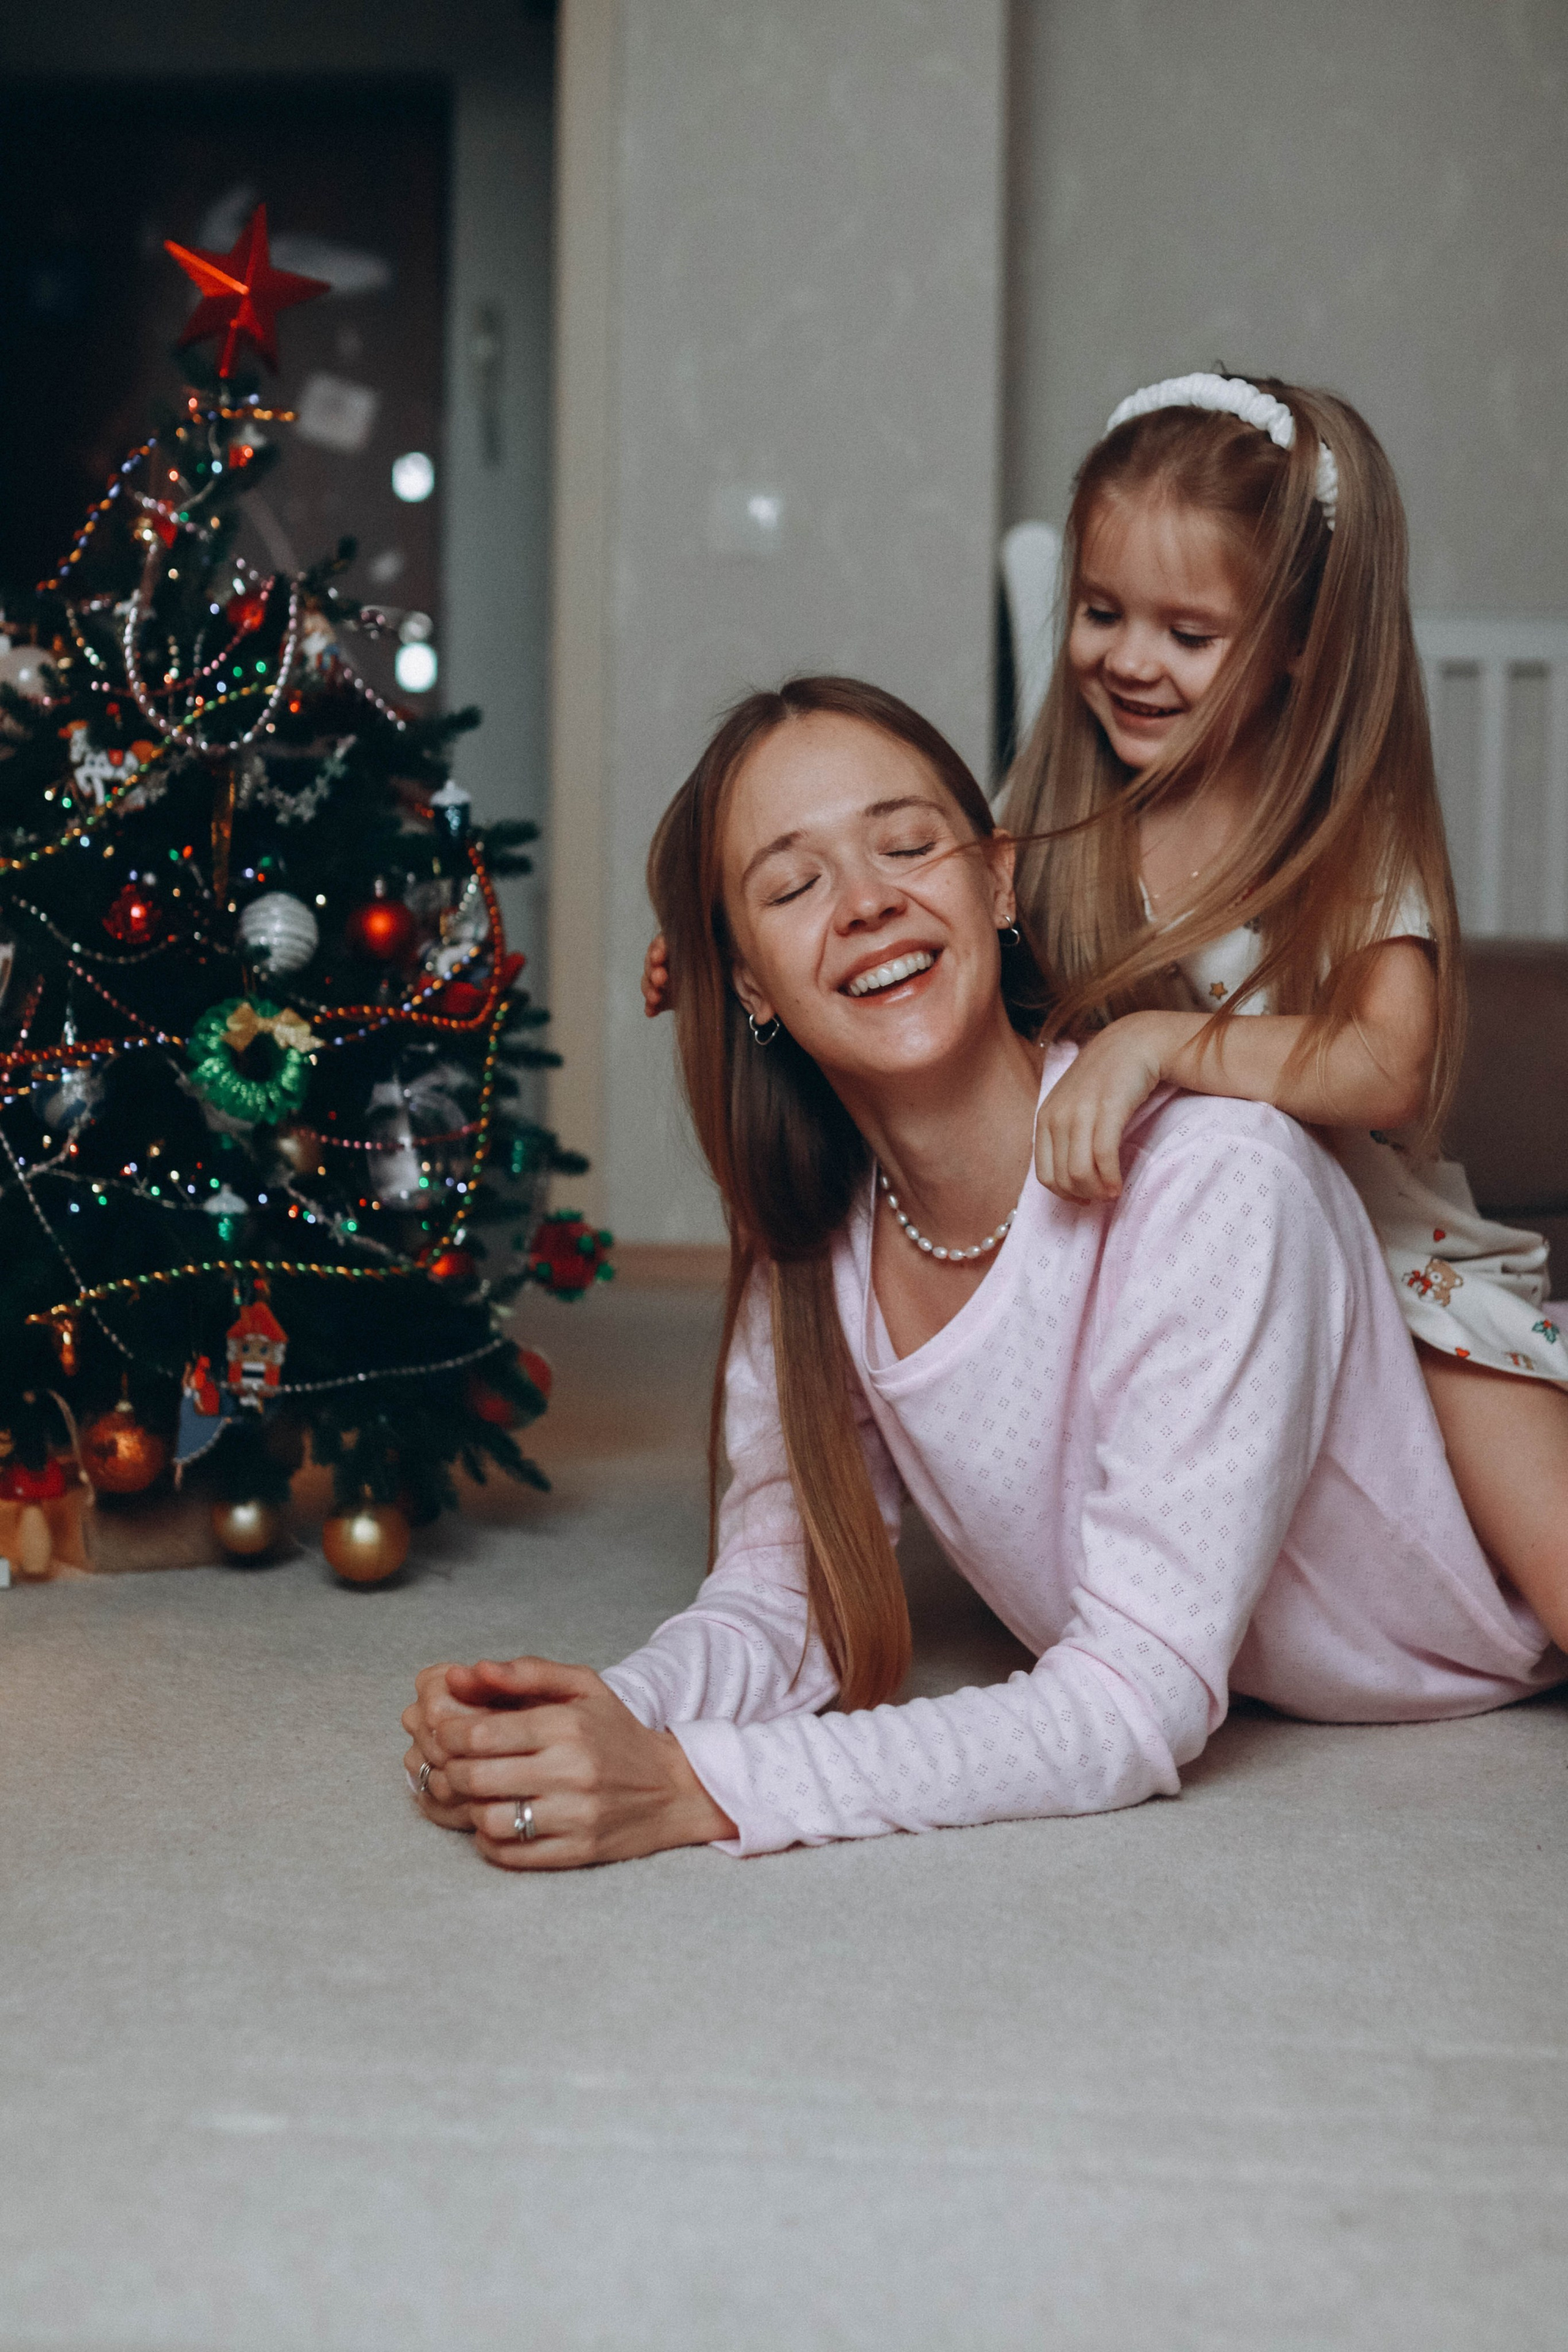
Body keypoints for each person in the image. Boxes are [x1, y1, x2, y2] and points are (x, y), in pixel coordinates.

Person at [404, 675, 1565, 1871]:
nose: (863, 904)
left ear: (997, 880)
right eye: (793, 886)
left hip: (1496, 1582)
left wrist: (698, 1789)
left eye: (906, 845)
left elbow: (1129, 1704)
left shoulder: (1218, 1180)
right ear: (747, 980)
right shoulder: (815, 1242)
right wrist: (604, 1722)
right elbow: (779, 1598)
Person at [644, 372, 1568, 1638]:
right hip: (1172, 1256)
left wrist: (1153, 1043)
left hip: (1394, 1282)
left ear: (1297, 641)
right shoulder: (1066, 815)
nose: (1128, 661)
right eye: (1097, 612)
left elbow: (1387, 1067)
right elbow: (938, 915)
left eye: (1187, 636)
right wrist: (726, 947)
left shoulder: (1351, 832)